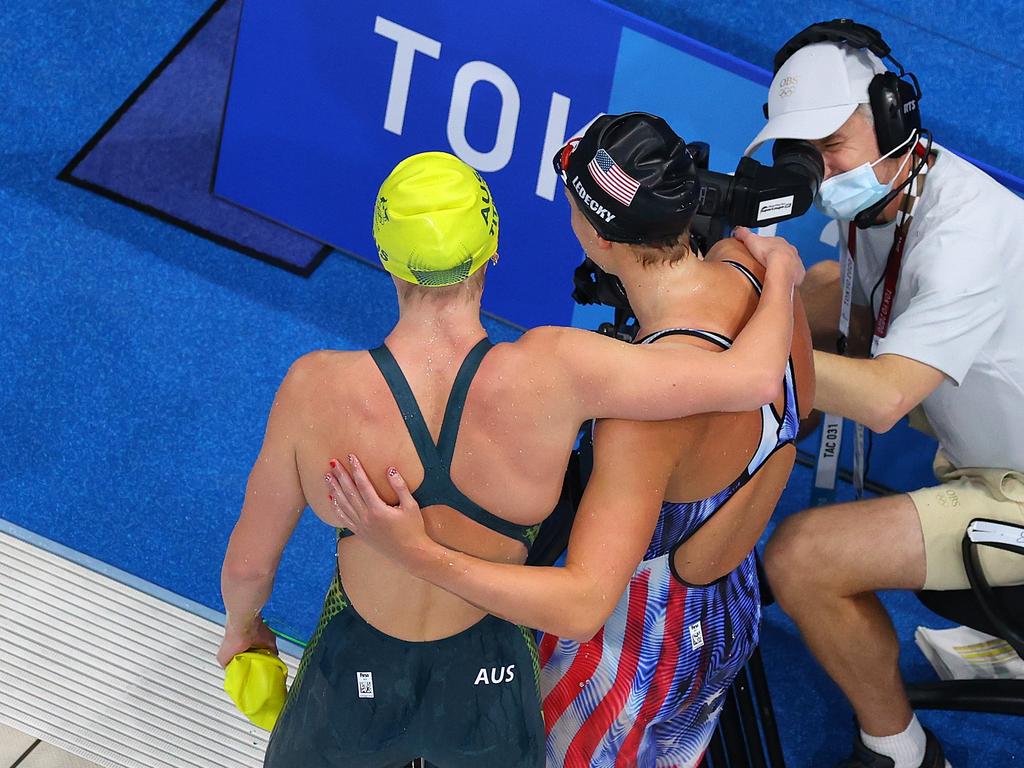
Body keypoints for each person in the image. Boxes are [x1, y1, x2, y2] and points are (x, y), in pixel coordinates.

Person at [217, 149, 804, 768]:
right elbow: (752, 378)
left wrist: (243, 631)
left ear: (386, 259)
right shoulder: (558, 373)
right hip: (489, 677)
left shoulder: (314, 390)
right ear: (492, 250)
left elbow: (250, 563)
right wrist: (782, 279)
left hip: (355, 671)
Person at [744, 19, 1024, 768]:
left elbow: (883, 397)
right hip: (987, 443)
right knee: (810, 294)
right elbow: (853, 312)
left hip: (1016, 488)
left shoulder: (966, 237)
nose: (820, 172)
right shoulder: (890, 195)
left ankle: (900, 751)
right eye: (802, 153)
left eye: (832, 148)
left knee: (804, 556)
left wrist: (745, 360)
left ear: (894, 120)